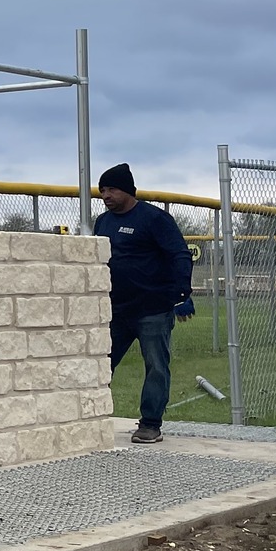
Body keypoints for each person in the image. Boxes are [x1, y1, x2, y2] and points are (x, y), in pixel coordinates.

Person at [92, 162, 195, 444]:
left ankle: (150, 424)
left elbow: (179, 255)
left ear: (127, 190)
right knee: (100, 364)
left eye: (111, 189)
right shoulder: (103, 222)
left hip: (153, 309)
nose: (106, 195)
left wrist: (182, 294)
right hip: (115, 310)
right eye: (102, 190)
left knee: (156, 366)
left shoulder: (154, 219)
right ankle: (90, 418)